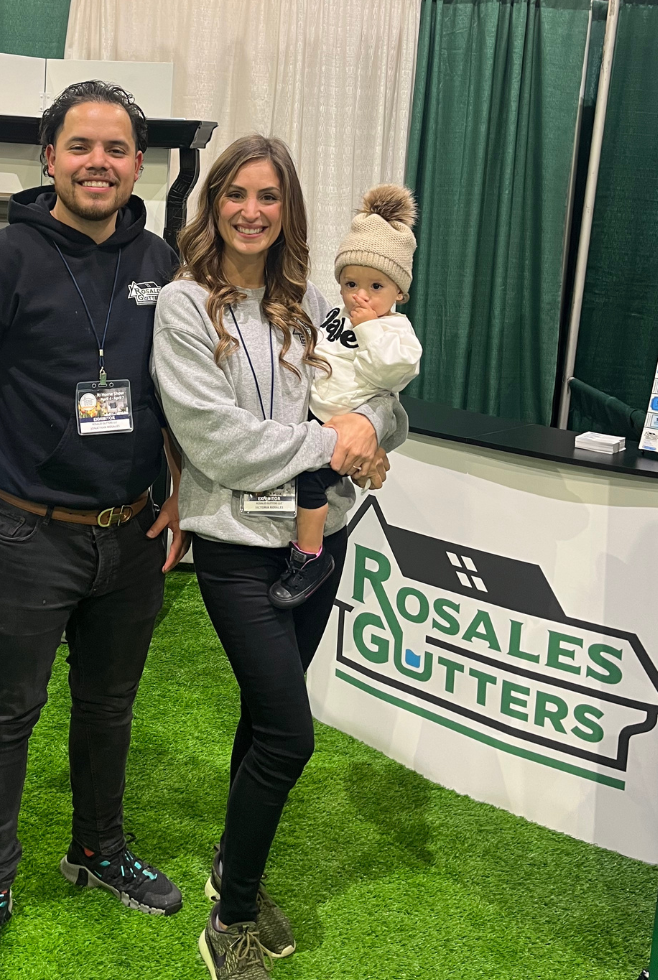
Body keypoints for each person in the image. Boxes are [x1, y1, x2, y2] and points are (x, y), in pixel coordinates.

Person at [0, 80, 188, 980]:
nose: (98, 163)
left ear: (138, 164)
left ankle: (98, 847)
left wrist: (174, 490)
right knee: (6, 713)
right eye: (81, 146)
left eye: (115, 149)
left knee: (109, 707)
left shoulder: (163, 263)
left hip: (135, 535)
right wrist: (13, 458)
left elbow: (179, 396)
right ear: (49, 157)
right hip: (27, 535)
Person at [151, 134, 408, 980]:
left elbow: (373, 400)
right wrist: (331, 443)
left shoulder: (308, 307)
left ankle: (235, 862)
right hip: (237, 550)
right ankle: (230, 920)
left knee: (265, 723)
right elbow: (217, 442)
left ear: (287, 211)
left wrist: (372, 430)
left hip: (319, 542)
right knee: (292, 737)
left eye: (270, 197)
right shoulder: (187, 306)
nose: (252, 212)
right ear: (213, 203)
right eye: (237, 195)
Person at [268, 183, 422, 608]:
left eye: (376, 287)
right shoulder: (334, 315)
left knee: (309, 485)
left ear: (400, 293)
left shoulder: (394, 331)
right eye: (351, 283)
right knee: (299, 477)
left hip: (341, 425)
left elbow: (393, 374)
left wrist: (370, 327)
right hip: (317, 418)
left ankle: (309, 556)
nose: (361, 296)